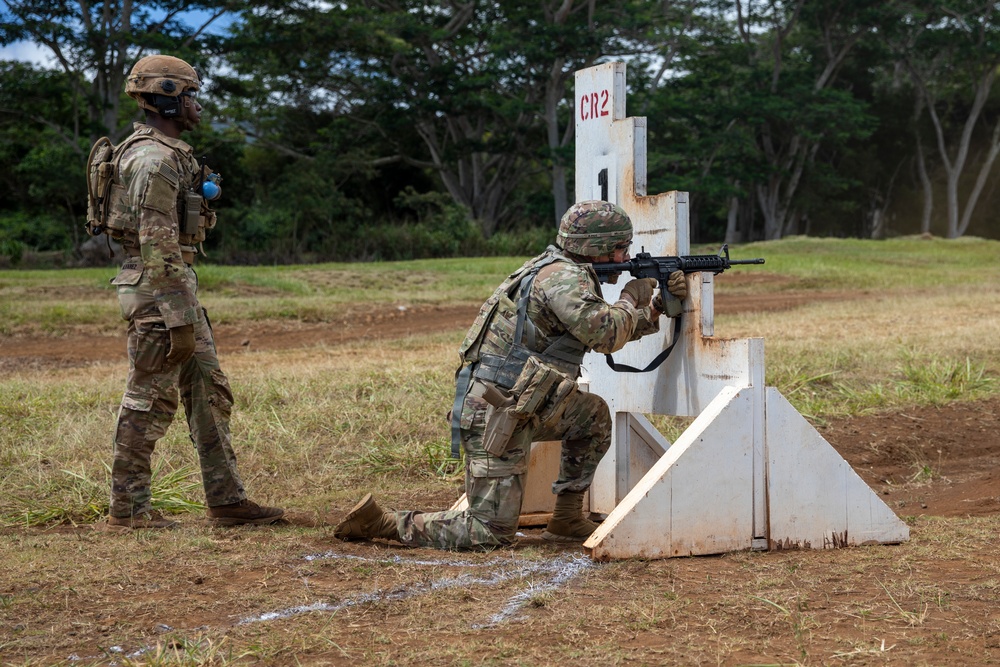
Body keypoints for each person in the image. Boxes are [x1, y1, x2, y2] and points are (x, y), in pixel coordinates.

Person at [334, 200, 687, 549]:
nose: (623, 257)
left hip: (525, 404)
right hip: (496, 414)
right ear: (597, 247)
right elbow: (605, 335)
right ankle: (384, 522)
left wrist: (655, 309)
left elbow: (590, 331)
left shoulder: (556, 269)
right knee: (488, 532)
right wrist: (630, 298)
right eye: (620, 248)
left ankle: (566, 519)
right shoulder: (564, 278)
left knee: (592, 416)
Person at [96, 54, 283, 530]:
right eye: (191, 94)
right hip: (160, 292)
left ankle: (226, 499)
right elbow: (158, 245)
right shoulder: (155, 160)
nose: (198, 104)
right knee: (149, 398)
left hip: (173, 287)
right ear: (165, 98)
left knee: (208, 391)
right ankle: (128, 508)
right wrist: (179, 318)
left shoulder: (165, 152)